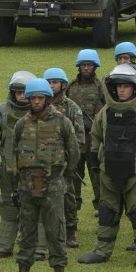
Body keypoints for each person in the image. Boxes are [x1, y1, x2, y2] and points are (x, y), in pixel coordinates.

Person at [78, 64, 136, 269]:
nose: (122, 90)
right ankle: (101, 251)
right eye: (118, 86)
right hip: (108, 172)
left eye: (126, 86)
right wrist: (94, 161)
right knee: (107, 211)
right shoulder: (106, 111)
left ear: (135, 88)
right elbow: (96, 137)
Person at [3, 78, 78, 272]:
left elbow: (73, 152)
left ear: (46, 98)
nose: (36, 102)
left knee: (55, 231)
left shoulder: (62, 122)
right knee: (26, 232)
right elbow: (13, 151)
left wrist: (63, 175)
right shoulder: (21, 123)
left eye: (40, 98)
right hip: (26, 185)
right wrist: (17, 177)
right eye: (33, 98)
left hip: (52, 184)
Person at [0, 71, 36, 259]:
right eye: (18, 92)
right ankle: (4, 246)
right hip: (8, 170)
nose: (21, 96)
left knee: (37, 207)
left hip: (35, 170)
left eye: (25, 92)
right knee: (8, 206)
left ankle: (39, 248)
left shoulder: (42, 112)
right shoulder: (2, 112)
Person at [44, 67, 86, 249]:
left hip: (65, 162)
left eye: (55, 82)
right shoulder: (39, 105)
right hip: (43, 161)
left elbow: (79, 137)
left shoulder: (72, 108)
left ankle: (70, 232)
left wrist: (68, 156)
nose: (52, 86)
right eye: (49, 82)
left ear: (63, 85)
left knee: (68, 197)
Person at [65, 49, 106, 214]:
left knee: (98, 178)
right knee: (74, 177)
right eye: (83, 65)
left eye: (89, 65)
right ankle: (72, 211)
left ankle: (102, 210)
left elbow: (105, 110)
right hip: (75, 140)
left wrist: (94, 124)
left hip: (94, 140)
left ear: (95, 67)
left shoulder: (101, 87)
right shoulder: (71, 86)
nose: (86, 68)